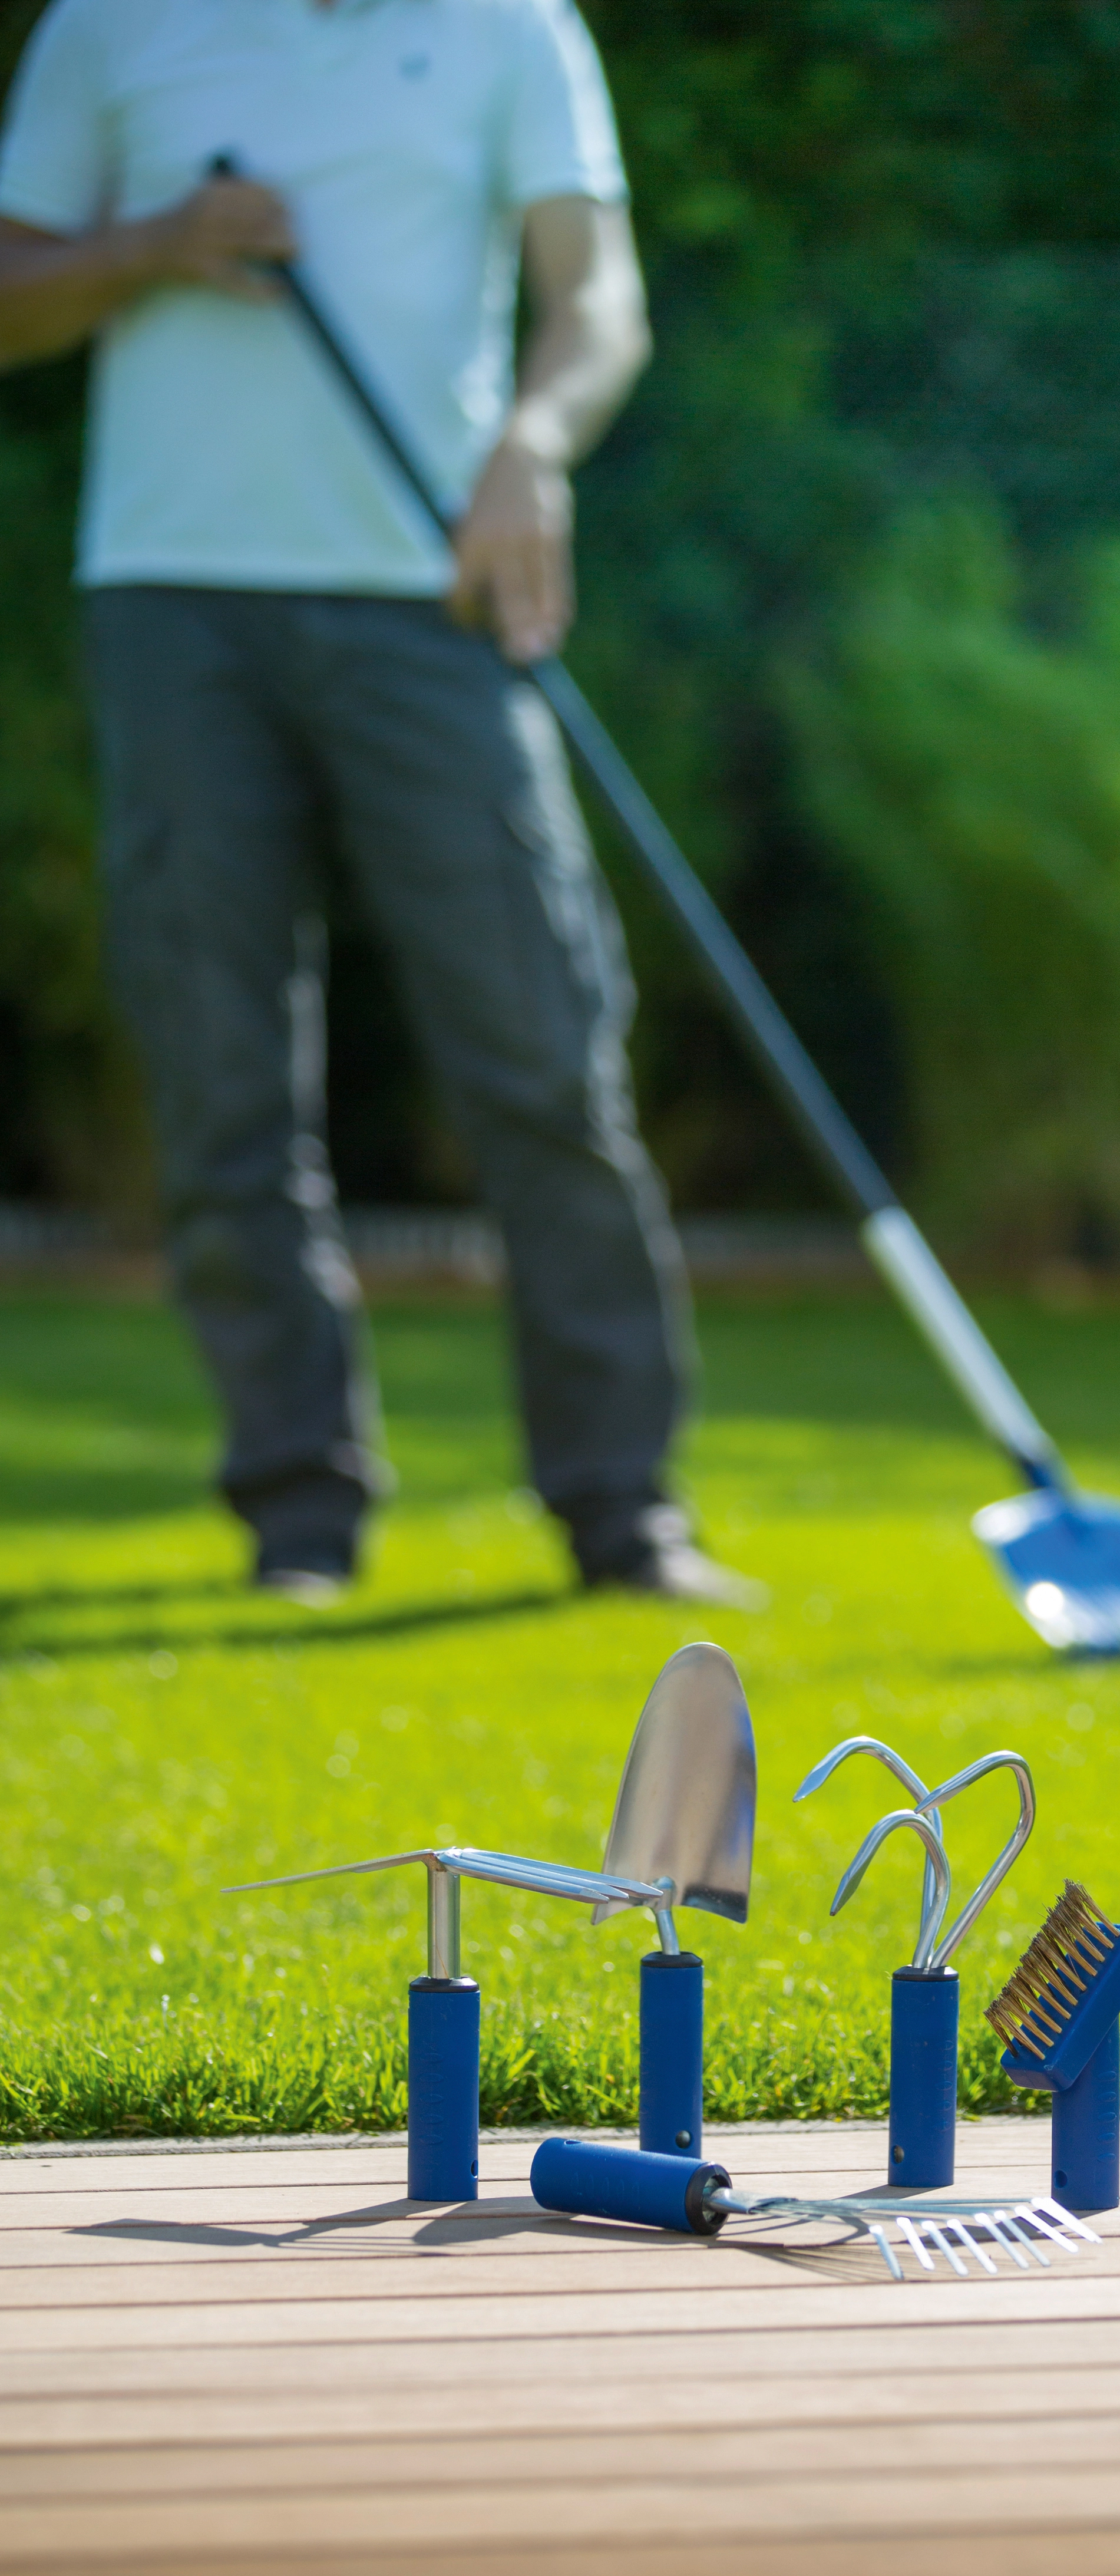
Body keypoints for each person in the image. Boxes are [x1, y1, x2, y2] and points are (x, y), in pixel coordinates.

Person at [0, 0, 756, 1606]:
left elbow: (597, 295)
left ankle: (623, 1509)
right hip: (172, 601)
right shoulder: (112, 25)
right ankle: (298, 1510)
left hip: (434, 600)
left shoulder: (511, 27)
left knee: (543, 1052)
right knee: (218, 1074)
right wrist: (157, 242)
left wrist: (533, 447)